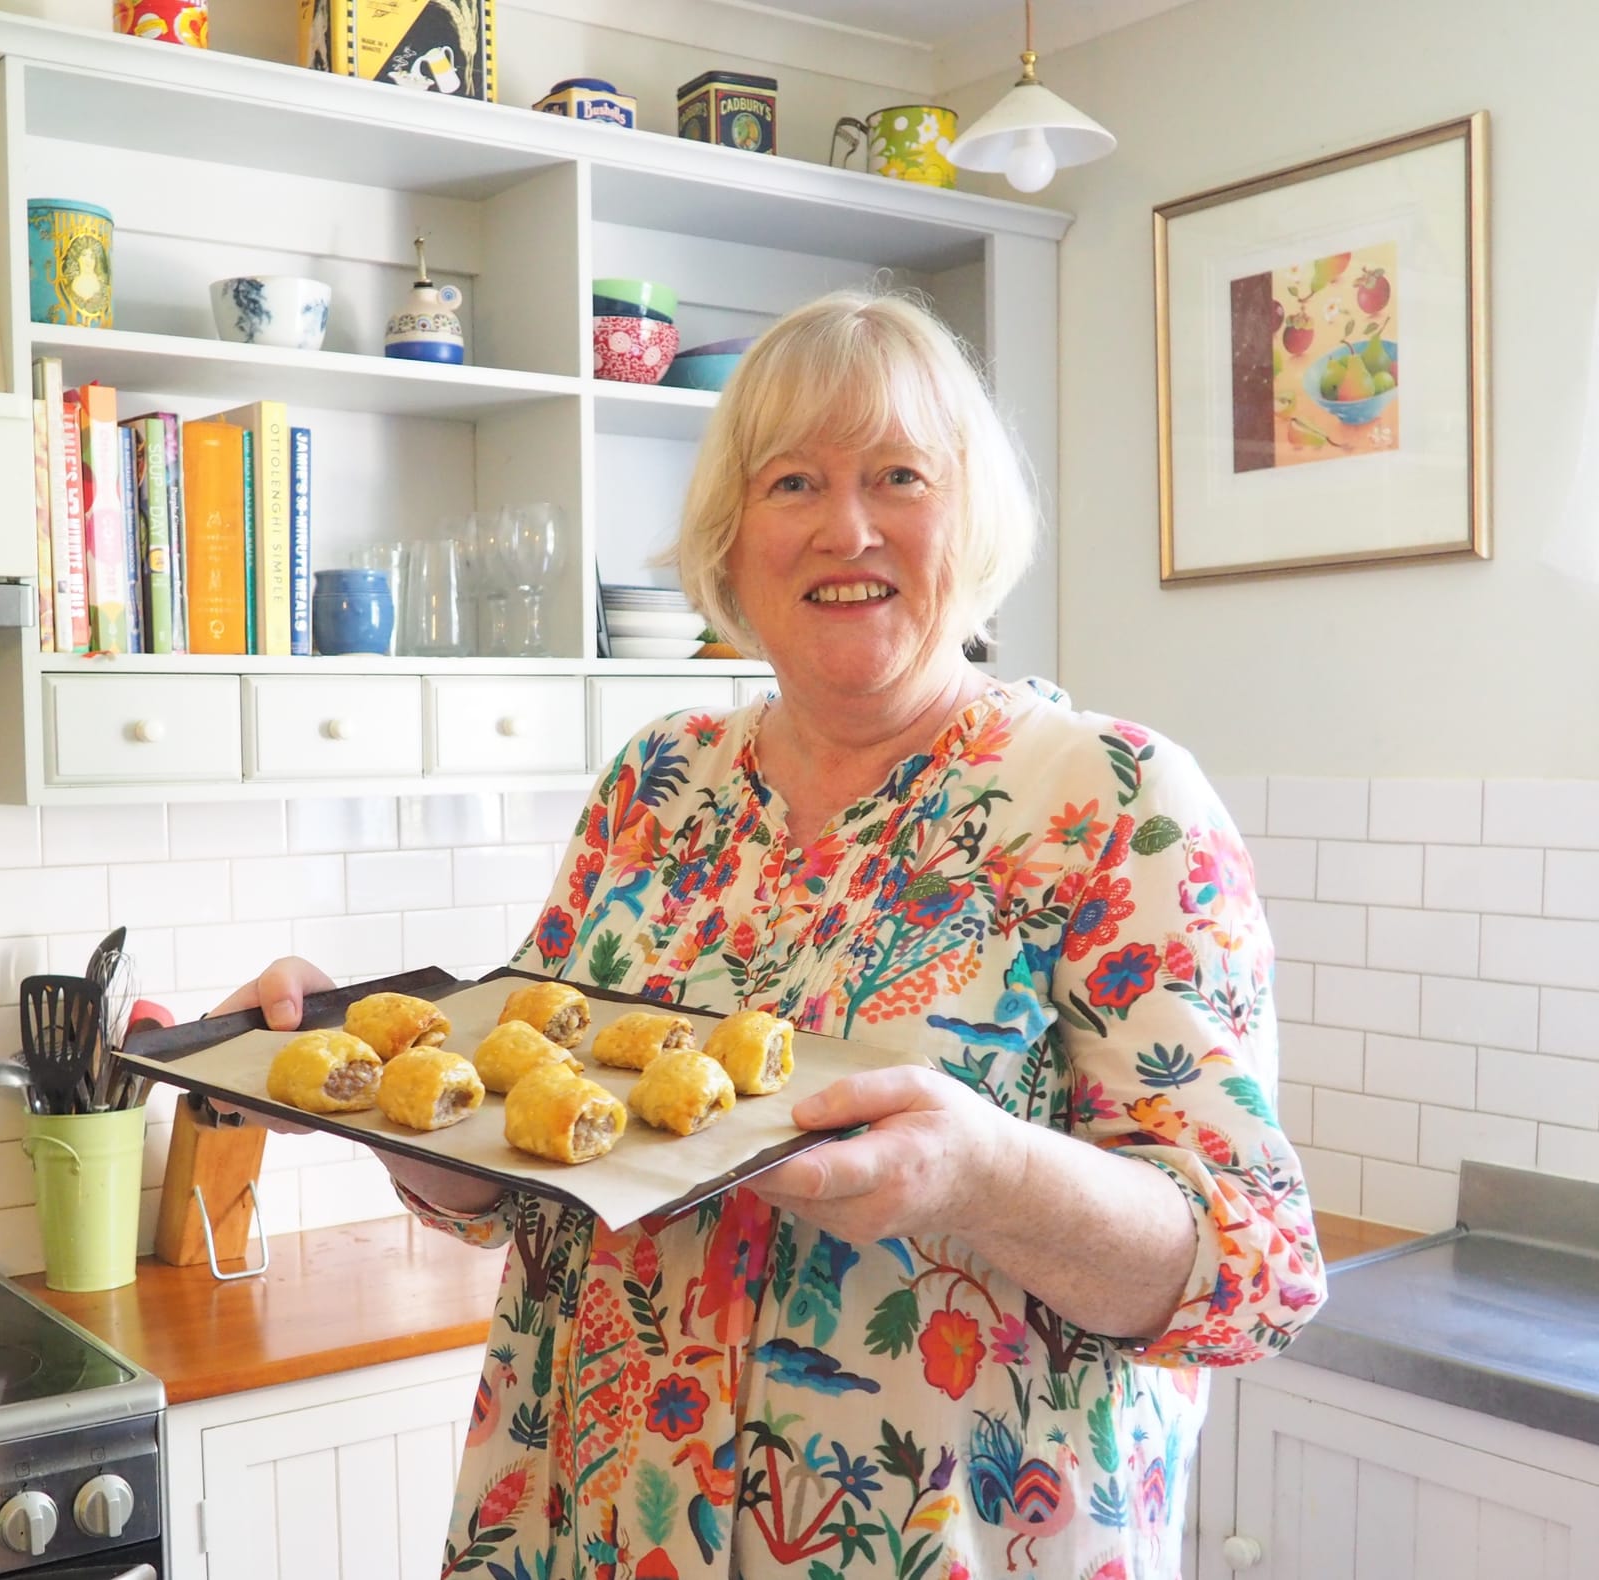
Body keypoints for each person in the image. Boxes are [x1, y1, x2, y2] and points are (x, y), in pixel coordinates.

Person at [216, 290, 1325, 1579]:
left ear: (969, 521)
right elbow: (529, 1170)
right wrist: (375, 1086)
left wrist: (989, 1180)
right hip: (588, 1525)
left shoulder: (1112, 803)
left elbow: (1255, 1269)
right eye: (792, 480)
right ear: (731, 543)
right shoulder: (658, 785)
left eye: (898, 475)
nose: (845, 526)